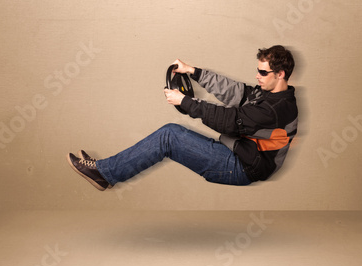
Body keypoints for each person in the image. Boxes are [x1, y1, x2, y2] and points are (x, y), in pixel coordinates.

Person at [67, 45, 298, 191]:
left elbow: (230, 120)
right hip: (238, 152)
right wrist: (193, 72)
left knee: (169, 135)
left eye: (263, 72)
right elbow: (235, 91)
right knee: (171, 133)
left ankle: (103, 173)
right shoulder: (268, 94)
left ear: (280, 75)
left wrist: (185, 102)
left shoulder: (276, 109)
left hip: (242, 167)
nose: (257, 76)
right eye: (257, 70)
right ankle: (106, 169)